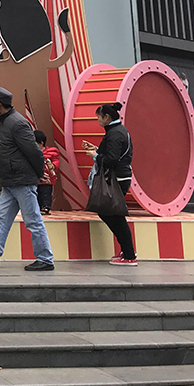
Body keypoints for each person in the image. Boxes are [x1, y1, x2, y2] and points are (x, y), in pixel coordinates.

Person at [0, 87, 54, 271]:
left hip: (22, 181)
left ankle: (45, 259)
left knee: (33, 220)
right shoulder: (1, 121)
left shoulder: (18, 123)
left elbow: (34, 152)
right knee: (1, 218)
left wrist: (39, 173)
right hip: (10, 181)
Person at [86, 102, 136, 266]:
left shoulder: (114, 134)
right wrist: (97, 150)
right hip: (120, 177)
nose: (98, 120)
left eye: (99, 117)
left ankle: (129, 254)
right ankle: (127, 251)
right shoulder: (118, 131)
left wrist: (95, 156)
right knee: (110, 213)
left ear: (106, 117)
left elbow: (111, 159)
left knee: (112, 214)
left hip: (117, 178)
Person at [35, 130, 59, 215]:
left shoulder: (51, 152)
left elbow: (56, 161)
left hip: (47, 178)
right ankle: (38, 207)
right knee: (36, 194)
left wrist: (53, 166)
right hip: (36, 178)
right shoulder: (33, 153)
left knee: (46, 193)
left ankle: (46, 207)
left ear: (41, 143)